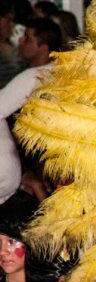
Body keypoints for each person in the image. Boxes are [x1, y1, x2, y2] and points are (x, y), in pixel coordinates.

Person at [0, 18, 62, 204]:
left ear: (43, 48)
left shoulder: (37, 75)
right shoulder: (55, 71)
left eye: (27, 38)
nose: (20, 41)